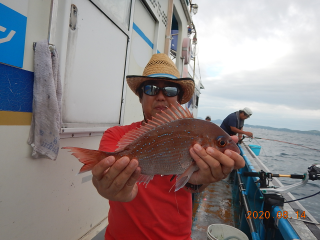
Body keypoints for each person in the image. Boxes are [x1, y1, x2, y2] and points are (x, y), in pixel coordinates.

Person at [91, 53, 245, 240]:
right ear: (140, 97)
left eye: (170, 90)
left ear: (179, 99)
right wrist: (113, 188)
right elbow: (110, 179)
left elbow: (189, 183)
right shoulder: (116, 136)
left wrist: (202, 180)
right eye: (151, 88)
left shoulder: (195, 135)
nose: (161, 96)